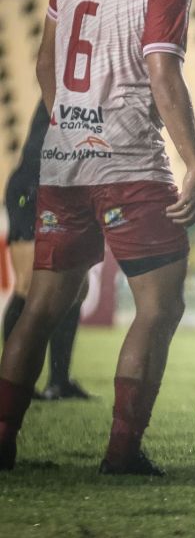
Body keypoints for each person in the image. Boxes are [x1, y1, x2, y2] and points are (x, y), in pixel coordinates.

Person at [0, 0, 195, 475]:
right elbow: (163, 75)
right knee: (159, 307)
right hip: (130, 165)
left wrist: (70, 122)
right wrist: (194, 160)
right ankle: (122, 451)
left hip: (62, 162)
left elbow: (45, 64)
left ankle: (3, 439)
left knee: (41, 305)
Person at [3, 101, 90, 401]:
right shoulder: (67, 88)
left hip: (68, 190)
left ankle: (59, 381)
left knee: (77, 286)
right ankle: (12, 382)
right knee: (27, 285)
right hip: (33, 187)